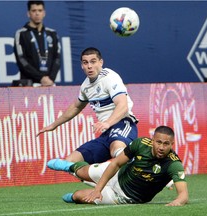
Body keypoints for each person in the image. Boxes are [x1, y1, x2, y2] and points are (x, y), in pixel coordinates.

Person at [37, 47, 138, 165]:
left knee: (117, 149)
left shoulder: (109, 77)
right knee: (69, 162)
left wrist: (107, 123)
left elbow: (122, 105)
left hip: (123, 124)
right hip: (106, 133)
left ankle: (145, 172)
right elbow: (76, 106)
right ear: (82, 66)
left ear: (101, 62)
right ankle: (106, 182)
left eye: (93, 61)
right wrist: (53, 125)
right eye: (86, 63)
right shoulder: (85, 86)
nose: (89, 66)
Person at [49, 126, 189, 206]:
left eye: (166, 144)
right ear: (152, 141)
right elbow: (116, 163)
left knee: (78, 196)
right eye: (159, 142)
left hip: (125, 197)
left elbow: (183, 194)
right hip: (118, 174)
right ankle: (69, 167)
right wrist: (98, 189)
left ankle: (73, 196)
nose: (161, 147)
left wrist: (177, 202)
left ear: (172, 144)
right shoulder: (140, 144)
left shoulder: (174, 164)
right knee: (83, 172)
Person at [14, 0, 60, 87]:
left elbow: (57, 58)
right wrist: (41, 78)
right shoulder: (21, 34)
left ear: (44, 13)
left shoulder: (52, 33)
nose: (37, 14)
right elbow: (21, 60)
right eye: (34, 11)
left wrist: (50, 79)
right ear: (28, 13)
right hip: (29, 85)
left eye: (40, 10)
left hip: (49, 83)